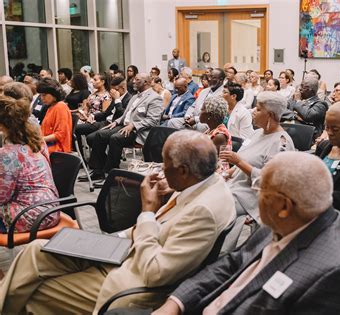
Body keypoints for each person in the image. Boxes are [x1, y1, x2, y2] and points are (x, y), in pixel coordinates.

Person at [0, 130, 236, 314]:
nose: (161, 172)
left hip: (133, 279)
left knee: (34, 290)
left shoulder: (204, 210)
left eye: (165, 166)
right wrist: (104, 241)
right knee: (35, 251)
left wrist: (147, 212)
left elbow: (156, 272)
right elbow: (165, 224)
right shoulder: (200, 181)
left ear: (184, 171)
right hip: (121, 251)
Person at [153, 151, 340, 315]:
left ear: (284, 207)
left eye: (259, 190)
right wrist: (176, 302)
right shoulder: (284, 223)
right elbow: (232, 263)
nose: (256, 196)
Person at [221, 91, 295, 221]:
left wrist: (238, 162)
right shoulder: (256, 133)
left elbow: (271, 182)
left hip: (251, 197)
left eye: (259, 109)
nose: (253, 111)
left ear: (270, 115)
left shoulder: (281, 143)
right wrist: (227, 173)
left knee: (211, 206)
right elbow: (246, 159)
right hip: (234, 186)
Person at [83, 73, 163, 181]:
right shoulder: (135, 96)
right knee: (98, 135)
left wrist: (134, 125)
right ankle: (98, 171)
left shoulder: (155, 98)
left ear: (146, 82)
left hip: (139, 131)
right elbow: (126, 114)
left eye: (137, 79)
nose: (133, 81)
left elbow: (153, 120)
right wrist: (116, 122)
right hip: (124, 126)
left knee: (115, 138)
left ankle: (111, 174)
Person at [0, 95, 59, 233]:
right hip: (50, 208)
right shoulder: (36, 141)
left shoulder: (7, 154)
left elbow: (2, 197)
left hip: (32, 215)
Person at [83, 76, 132, 168]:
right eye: (112, 89)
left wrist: (117, 100)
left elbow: (123, 115)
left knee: (97, 136)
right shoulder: (116, 97)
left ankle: (97, 168)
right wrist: (93, 116)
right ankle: (103, 162)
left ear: (123, 88)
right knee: (89, 138)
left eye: (115, 90)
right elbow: (107, 113)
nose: (112, 92)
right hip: (107, 122)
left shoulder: (129, 99)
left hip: (118, 125)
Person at [75, 73, 112, 156]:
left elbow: (104, 113)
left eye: (95, 80)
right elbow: (86, 108)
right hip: (88, 120)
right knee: (71, 125)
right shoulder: (92, 94)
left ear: (102, 82)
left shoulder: (106, 96)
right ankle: (81, 155)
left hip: (98, 122)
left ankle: (83, 157)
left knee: (76, 129)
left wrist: (90, 117)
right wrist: (83, 114)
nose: (92, 82)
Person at [37, 78, 72, 153]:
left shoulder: (60, 107)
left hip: (57, 149)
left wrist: (40, 139)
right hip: (48, 145)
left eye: (44, 95)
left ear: (54, 93)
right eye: (41, 95)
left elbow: (60, 134)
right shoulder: (51, 107)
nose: (42, 98)